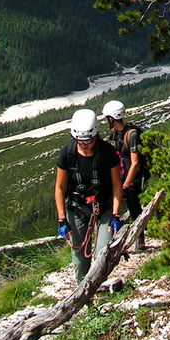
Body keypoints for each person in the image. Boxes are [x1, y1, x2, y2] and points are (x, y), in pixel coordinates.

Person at [54, 108, 123, 283]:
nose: (84, 144)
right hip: (77, 209)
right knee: (79, 258)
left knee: (101, 252)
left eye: (88, 140)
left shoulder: (107, 153)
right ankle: (82, 293)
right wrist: (62, 218)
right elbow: (60, 187)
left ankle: (98, 285)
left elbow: (116, 184)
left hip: (104, 207)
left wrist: (115, 214)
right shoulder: (67, 154)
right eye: (80, 140)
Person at [102, 100, 147, 251]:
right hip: (122, 174)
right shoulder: (117, 133)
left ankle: (139, 238)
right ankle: (118, 237)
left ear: (111, 118)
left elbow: (135, 163)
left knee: (134, 207)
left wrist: (126, 184)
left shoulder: (131, 135)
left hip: (132, 177)